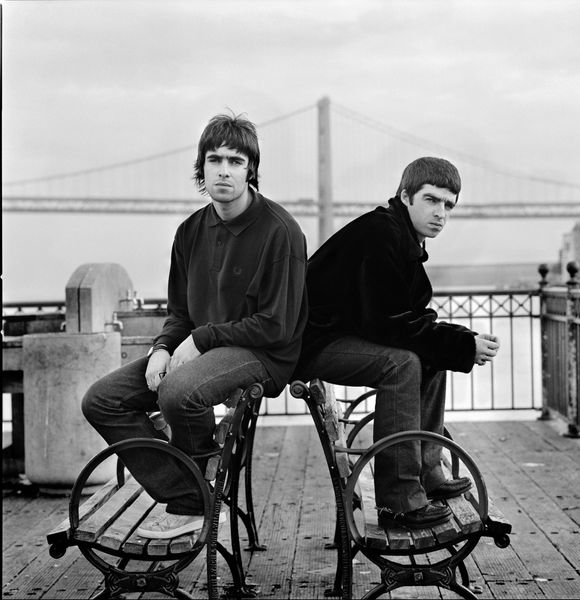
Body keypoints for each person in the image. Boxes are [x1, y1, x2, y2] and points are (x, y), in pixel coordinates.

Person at [82, 113, 308, 539]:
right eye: (214, 159)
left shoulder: (281, 233)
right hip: (201, 350)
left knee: (178, 393)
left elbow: (278, 326)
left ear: (251, 170)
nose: (224, 169)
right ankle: (192, 489)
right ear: (201, 168)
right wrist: (164, 348)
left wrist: (201, 340)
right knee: (102, 400)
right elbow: (180, 313)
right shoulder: (189, 232)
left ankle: (191, 501)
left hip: (266, 355)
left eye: (236, 161)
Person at [294, 157, 499, 528]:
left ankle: (427, 471)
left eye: (448, 205)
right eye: (431, 200)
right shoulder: (381, 235)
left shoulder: (401, 237)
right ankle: (399, 500)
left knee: (431, 355)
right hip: (312, 342)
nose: (441, 213)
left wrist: (462, 341)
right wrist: (463, 346)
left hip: (342, 334)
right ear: (406, 196)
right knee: (403, 363)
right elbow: (388, 324)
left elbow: (405, 320)